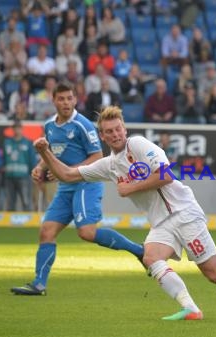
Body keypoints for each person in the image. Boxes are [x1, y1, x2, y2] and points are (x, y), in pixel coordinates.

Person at [32, 105, 216, 321]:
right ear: (102, 135)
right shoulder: (109, 165)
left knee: (215, 273)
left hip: (184, 212)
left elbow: (166, 175)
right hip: (162, 222)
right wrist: (44, 152)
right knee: (151, 256)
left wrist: (130, 187)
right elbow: (67, 174)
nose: (115, 134)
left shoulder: (139, 144)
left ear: (125, 129)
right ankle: (190, 307)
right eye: (108, 131)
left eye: (118, 129)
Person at [11, 82, 145, 296]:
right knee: (46, 231)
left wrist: (68, 171)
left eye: (69, 98)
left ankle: (139, 250)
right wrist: (40, 166)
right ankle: (39, 284)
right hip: (66, 187)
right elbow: (51, 154)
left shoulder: (83, 125)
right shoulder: (49, 126)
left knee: (87, 233)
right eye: (61, 98)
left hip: (86, 184)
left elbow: (97, 157)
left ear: (75, 100)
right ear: (54, 100)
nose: (65, 102)